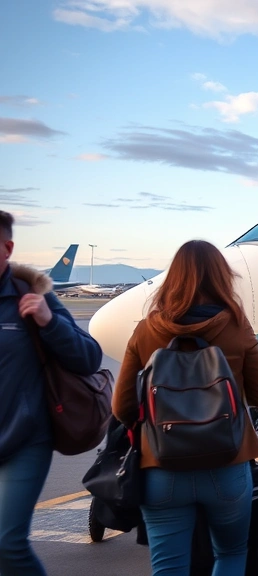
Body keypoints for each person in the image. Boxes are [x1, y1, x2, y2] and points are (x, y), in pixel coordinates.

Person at [112, 239, 258, 575]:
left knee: (168, 566)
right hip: (227, 464)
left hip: (162, 465)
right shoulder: (236, 325)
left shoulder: (147, 329)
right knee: (230, 554)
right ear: (221, 277)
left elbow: (121, 407)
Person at [0, 211, 103, 575]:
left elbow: (90, 358)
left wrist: (49, 321)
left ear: (7, 248)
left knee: (7, 543)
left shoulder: (31, 295)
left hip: (25, 438)